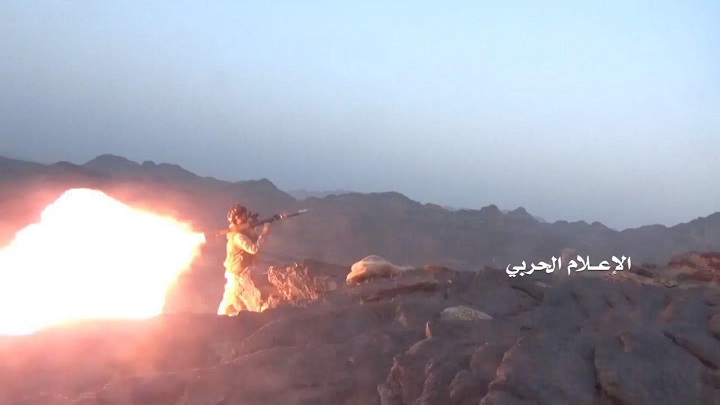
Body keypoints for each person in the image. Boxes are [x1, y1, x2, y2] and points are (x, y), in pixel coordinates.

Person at [217, 203, 271, 316]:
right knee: (252, 303)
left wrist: (255, 229)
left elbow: (253, 239)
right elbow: (253, 248)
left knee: (232, 305)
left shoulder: (240, 233)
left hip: (237, 275)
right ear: (237, 218)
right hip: (238, 277)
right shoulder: (238, 236)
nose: (246, 217)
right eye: (243, 215)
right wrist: (265, 232)